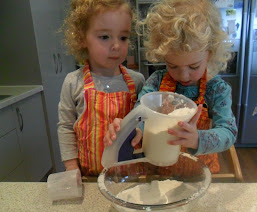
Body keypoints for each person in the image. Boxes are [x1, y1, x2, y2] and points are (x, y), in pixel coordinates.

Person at [105, 0, 238, 174]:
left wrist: (197, 138)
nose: (183, 75)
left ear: (210, 54)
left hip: (199, 175)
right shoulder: (155, 82)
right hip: (159, 173)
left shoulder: (217, 90)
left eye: (193, 66)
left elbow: (228, 133)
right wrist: (132, 130)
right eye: (172, 66)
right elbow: (141, 114)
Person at [58, 0, 145, 176]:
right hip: (89, 177)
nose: (116, 46)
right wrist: (71, 166)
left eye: (123, 37)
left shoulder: (137, 81)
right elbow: (66, 128)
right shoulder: (73, 82)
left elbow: (144, 125)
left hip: (131, 177)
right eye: (105, 37)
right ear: (82, 37)